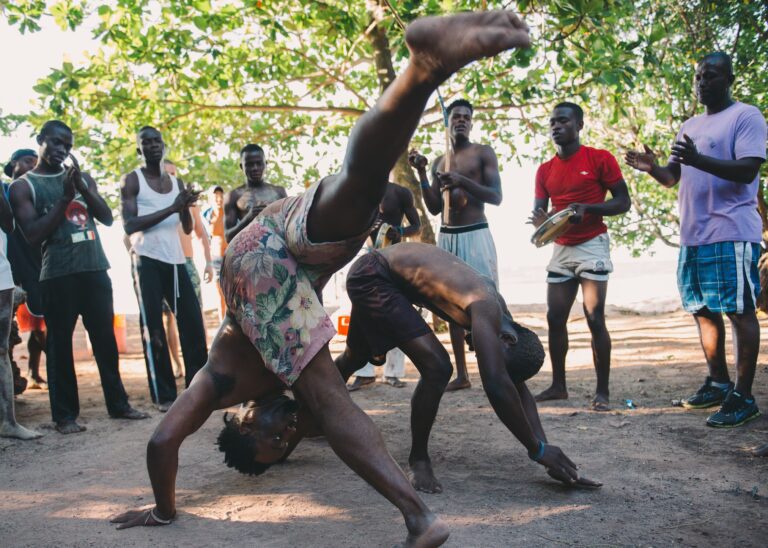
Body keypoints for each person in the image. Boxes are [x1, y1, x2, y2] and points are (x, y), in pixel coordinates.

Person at [109, 11, 533, 546]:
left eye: (269, 436)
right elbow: (344, 375)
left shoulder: (219, 383)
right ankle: (424, 67)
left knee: (331, 398)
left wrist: (166, 511)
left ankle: (418, 517)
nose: (286, 432)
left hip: (252, 271)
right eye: (285, 444)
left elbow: (162, 440)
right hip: (276, 247)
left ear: (242, 418)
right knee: (358, 190)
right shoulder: (287, 391)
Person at [331, 243, 598, 493]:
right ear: (508, 340)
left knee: (355, 357)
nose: (480, 352)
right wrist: (535, 449)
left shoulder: (504, 322)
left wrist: (546, 447)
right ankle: (418, 459)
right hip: (374, 275)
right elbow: (496, 384)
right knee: (437, 367)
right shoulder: (486, 307)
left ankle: (318, 411)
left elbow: (515, 387)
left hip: (381, 276)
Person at [626, 52, 766, 427]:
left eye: (712, 75)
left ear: (730, 78)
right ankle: (718, 383)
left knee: (739, 311)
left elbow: (748, 170)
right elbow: (674, 177)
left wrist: (698, 159)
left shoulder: (746, 116)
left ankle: (743, 396)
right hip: (694, 234)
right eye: (699, 76)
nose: (703, 82)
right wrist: (651, 168)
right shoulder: (689, 124)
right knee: (702, 309)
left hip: (731, 230)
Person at [9, 120, 148, 434]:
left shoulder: (81, 178)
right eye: (56, 143)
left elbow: (107, 218)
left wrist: (83, 189)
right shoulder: (23, 186)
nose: (62, 150)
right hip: (57, 274)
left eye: (67, 146)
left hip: (95, 268)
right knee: (59, 345)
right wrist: (64, 198)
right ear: (40, 141)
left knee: (105, 343)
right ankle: (65, 417)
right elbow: (32, 234)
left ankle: (119, 405)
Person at [529, 102, 631, 411]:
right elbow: (541, 214)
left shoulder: (600, 159)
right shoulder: (544, 170)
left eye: (563, 121)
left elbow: (623, 201)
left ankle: (602, 392)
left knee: (594, 317)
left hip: (592, 244)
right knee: (554, 317)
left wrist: (588, 209)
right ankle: (559, 386)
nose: (556, 126)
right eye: (552, 123)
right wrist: (541, 222)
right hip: (561, 248)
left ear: (579, 125)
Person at [409, 98, 502, 391]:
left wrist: (461, 180)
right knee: (450, 304)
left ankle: (497, 369)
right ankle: (462, 374)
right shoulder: (440, 162)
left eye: (465, 116)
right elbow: (435, 208)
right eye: (455, 116)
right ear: (447, 122)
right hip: (448, 235)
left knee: (487, 300)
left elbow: (496, 196)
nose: (460, 120)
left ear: (471, 122)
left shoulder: (482, 153)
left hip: (476, 233)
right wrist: (423, 173)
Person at [120, 128, 209, 411]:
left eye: (156, 141)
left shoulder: (175, 181)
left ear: (164, 146)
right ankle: (164, 396)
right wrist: (172, 207)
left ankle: (198, 389)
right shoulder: (132, 180)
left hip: (175, 259)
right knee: (153, 328)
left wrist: (183, 206)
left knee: (193, 322)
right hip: (145, 258)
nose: (152, 146)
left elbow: (187, 227)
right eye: (145, 142)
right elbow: (129, 225)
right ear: (139, 150)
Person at [347, 180, 421, 391]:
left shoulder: (400, 192)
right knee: (361, 313)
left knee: (399, 311)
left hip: (395, 258)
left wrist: (399, 231)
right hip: (368, 256)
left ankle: (393, 372)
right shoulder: (358, 190)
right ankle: (364, 373)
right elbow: (349, 227)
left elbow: (417, 226)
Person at [0, 157, 42, 439]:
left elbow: (8, 223)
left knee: (1, 350)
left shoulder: (5, 188)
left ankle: (8, 423)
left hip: (1, 272)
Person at [161, 160, 214, 378]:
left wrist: (209, 262)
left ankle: (203, 364)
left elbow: (201, 233)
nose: (172, 177)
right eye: (167, 174)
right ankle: (176, 363)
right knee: (169, 318)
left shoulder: (190, 203)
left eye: (174, 173)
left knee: (195, 313)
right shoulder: (157, 202)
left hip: (187, 262)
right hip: (164, 263)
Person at [4, 149, 46, 388]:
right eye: (28, 160)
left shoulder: (33, 194)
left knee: (40, 325)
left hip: (36, 267)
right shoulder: (6, 191)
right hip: (12, 270)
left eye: (36, 161)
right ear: (14, 163)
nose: (33, 165)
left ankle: (33, 371)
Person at [224, 144, 287, 243]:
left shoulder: (279, 191)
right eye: (249, 164)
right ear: (242, 166)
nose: (255, 168)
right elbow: (228, 237)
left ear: (265, 164)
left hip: (280, 249)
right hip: (250, 252)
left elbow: (288, 227)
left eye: (259, 163)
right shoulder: (234, 196)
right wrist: (248, 218)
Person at [203, 185, 227, 321]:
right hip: (216, 259)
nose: (219, 199)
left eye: (221, 195)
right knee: (220, 296)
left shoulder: (230, 213)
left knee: (234, 294)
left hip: (230, 257)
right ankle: (222, 327)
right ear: (210, 198)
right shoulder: (206, 215)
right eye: (215, 196)